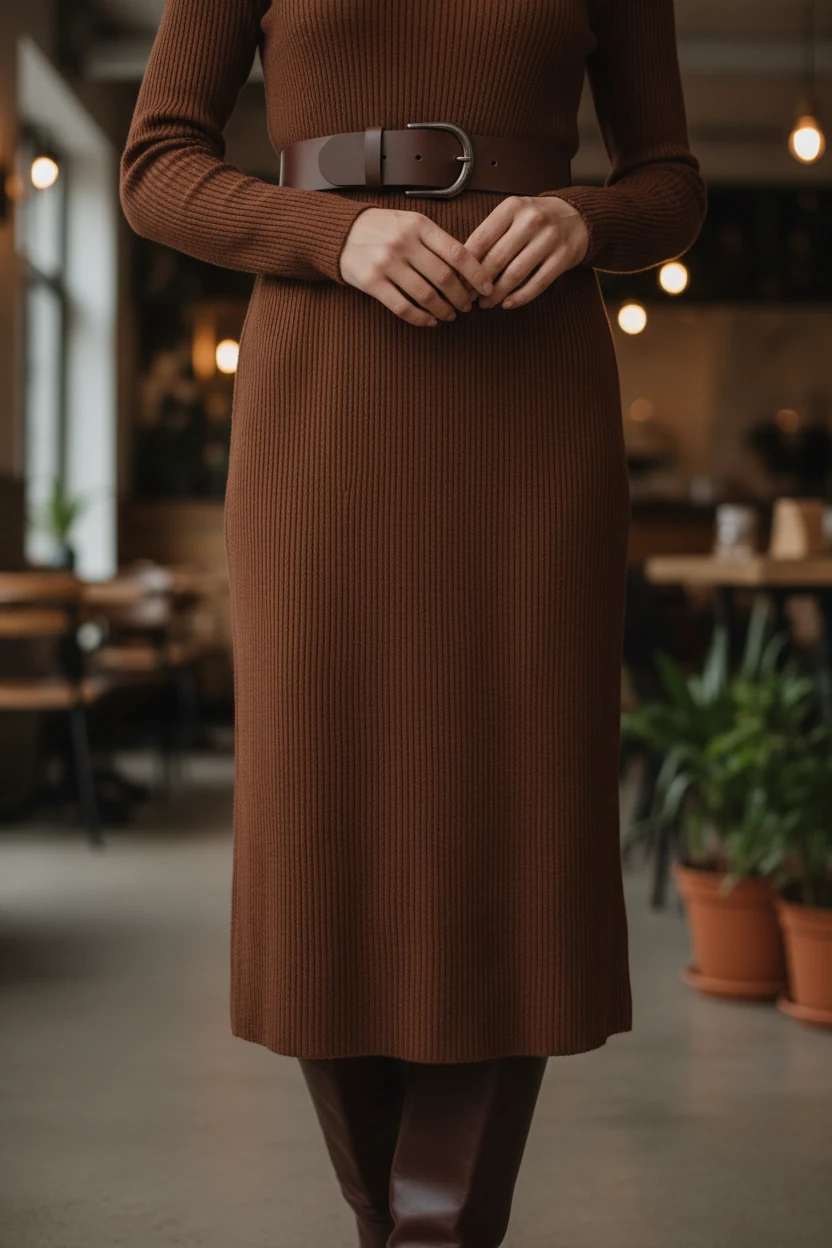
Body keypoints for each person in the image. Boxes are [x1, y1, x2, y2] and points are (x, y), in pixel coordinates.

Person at [120, 1, 706, 1243]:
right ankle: (394, 1220)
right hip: (321, 396)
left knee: (514, 801)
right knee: (319, 804)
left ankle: (436, 1226)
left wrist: (582, 216)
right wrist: (336, 236)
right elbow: (155, 169)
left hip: (529, 403)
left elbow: (671, 187)